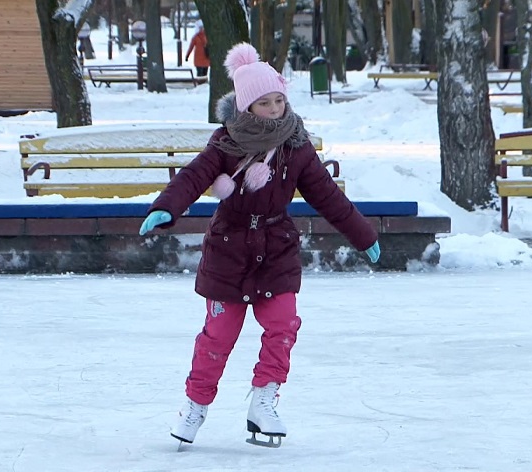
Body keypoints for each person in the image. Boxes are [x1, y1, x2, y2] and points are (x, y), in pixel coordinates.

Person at [139, 42, 380, 447]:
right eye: (265, 103)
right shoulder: (225, 144)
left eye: (279, 100)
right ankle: (195, 405)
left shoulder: (296, 147)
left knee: (284, 325)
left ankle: (264, 400)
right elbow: (193, 177)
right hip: (228, 251)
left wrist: (363, 234)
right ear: (247, 108)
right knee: (217, 337)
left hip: (276, 249)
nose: (274, 109)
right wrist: (167, 208)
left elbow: (328, 196)